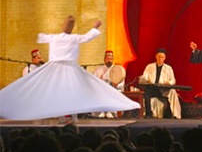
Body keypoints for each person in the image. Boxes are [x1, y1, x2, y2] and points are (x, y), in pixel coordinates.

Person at [0, 15, 140, 122]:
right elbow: (86, 37)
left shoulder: (62, 37)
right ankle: (65, 117)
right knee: (63, 93)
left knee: (70, 92)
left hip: (67, 68)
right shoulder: (67, 38)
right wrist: (95, 27)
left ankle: (72, 117)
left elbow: (83, 37)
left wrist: (94, 28)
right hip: (59, 68)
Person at [139, 48, 181, 119]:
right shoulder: (149, 66)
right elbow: (144, 75)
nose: (160, 58)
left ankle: (174, 114)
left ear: (164, 58)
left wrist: (169, 82)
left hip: (163, 89)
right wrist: (146, 79)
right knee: (146, 93)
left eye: (162, 57)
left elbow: (173, 80)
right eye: (159, 57)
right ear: (156, 56)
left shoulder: (168, 68)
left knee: (172, 92)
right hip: (152, 87)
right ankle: (148, 113)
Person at [93, 50, 127, 118]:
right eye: (108, 59)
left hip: (113, 89)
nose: (109, 60)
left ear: (113, 60)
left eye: (111, 59)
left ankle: (109, 111)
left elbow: (121, 82)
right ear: (104, 60)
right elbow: (93, 82)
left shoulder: (117, 69)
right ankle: (102, 111)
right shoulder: (98, 70)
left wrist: (117, 84)